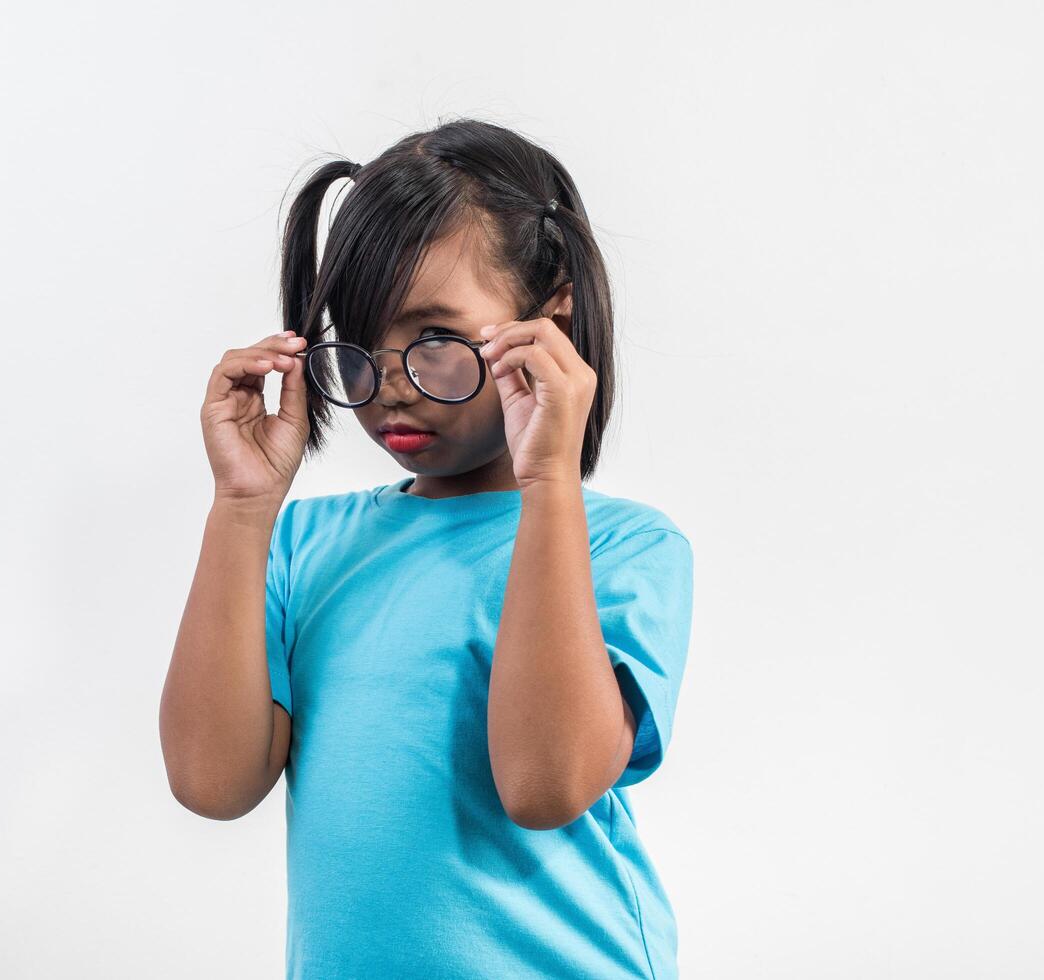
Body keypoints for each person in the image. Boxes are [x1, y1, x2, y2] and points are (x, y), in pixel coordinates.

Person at [160, 118, 695, 979]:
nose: (393, 388)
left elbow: (545, 785)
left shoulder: (624, 548)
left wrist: (549, 479)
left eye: (435, 340)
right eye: (361, 346)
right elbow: (210, 783)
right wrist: (241, 506)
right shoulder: (302, 544)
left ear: (548, 312)